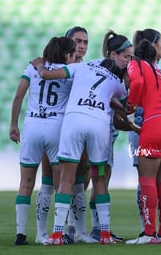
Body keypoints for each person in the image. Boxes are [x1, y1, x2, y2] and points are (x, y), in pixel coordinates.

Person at [30, 56, 128, 245]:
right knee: (99, 177)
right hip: (98, 126)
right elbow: (127, 106)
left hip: (74, 121)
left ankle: (58, 235)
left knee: (67, 178)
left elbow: (47, 75)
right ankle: (105, 235)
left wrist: (39, 65)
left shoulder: (80, 67)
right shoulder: (116, 81)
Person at [10, 36, 76, 245]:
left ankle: (21, 234)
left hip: (32, 126)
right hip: (56, 127)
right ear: (67, 54)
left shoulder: (32, 68)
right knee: (59, 184)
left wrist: (13, 125)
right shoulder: (69, 72)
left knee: (26, 183)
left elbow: (19, 96)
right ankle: (52, 233)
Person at [125, 39, 161, 245]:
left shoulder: (137, 64)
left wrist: (130, 108)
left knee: (147, 180)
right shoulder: (160, 71)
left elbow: (138, 83)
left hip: (155, 124)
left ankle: (149, 234)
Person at [88, 29, 133, 243]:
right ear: (112, 54)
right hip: (101, 132)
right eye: (126, 56)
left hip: (105, 133)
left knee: (98, 179)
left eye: (131, 56)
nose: (129, 60)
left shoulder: (97, 66)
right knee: (98, 178)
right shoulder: (108, 72)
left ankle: (92, 228)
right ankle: (94, 228)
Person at [63, 26, 98, 243]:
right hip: (60, 128)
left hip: (80, 129)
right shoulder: (57, 67)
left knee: (82, 180)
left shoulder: (87, 69)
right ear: (68, 42)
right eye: (78, 41)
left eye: (85, 42)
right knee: (58, 181)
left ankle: (77, 230)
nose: (82, 46)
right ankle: (61, 229)